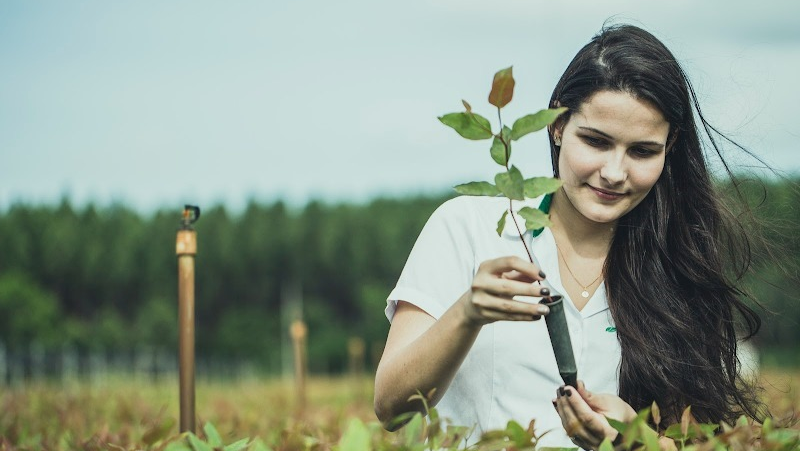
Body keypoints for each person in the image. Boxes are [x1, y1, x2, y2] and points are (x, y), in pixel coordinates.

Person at [373, 24, 767, 450]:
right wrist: (467, 313)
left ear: (669, 147)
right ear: (557, 125)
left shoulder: (675, 267)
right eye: (596, 142)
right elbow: (391, 408)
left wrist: (633, 441)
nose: (614, 173)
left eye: (642, 151)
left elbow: (694, 439)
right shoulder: (468, 228)